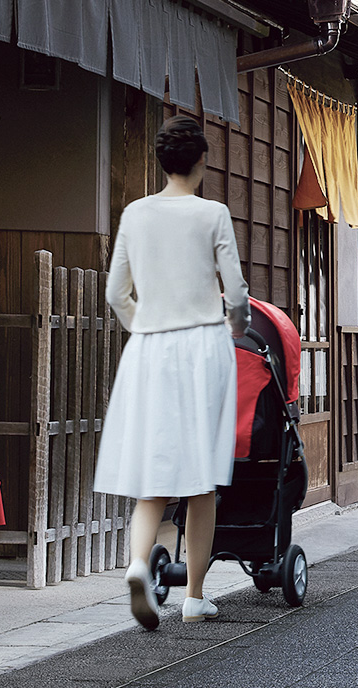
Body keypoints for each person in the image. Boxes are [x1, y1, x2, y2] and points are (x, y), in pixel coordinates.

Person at [94, 116, 250, 630]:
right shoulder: (214, 215)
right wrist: (232, 327)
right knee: (202, 477)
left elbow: (117, 294)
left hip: (150, 350)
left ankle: (140, 565)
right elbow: (238, 293)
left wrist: (148, 329)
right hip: (204, 346)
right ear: (201, 161)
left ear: (163, 161)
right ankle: (195, 597)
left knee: (154, 470)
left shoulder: (136, 214)